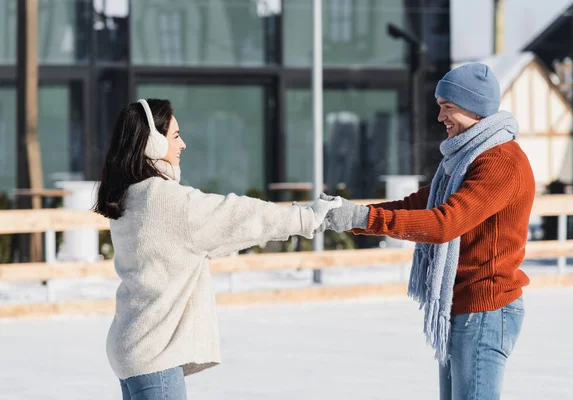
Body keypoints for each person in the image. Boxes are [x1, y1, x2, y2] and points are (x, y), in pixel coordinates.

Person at [93, 98, 341, 400]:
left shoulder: (131, 197)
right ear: (153, 143)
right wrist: (305, 217)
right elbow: (238, 216)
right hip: (153, 353)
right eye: (175, 136)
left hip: (132, 345)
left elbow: (213, 238)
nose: (183, 144)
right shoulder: (167, 201)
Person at [318, 63, 535, 399]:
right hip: (462, 305)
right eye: (439, 107)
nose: (440, 117)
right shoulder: (465, 158)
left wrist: (361, 217)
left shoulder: (499, 162)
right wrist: (350, 216)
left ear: (473, 108)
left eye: (448, 107)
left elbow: (444, 224)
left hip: (486, 309)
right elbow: (418, 204)